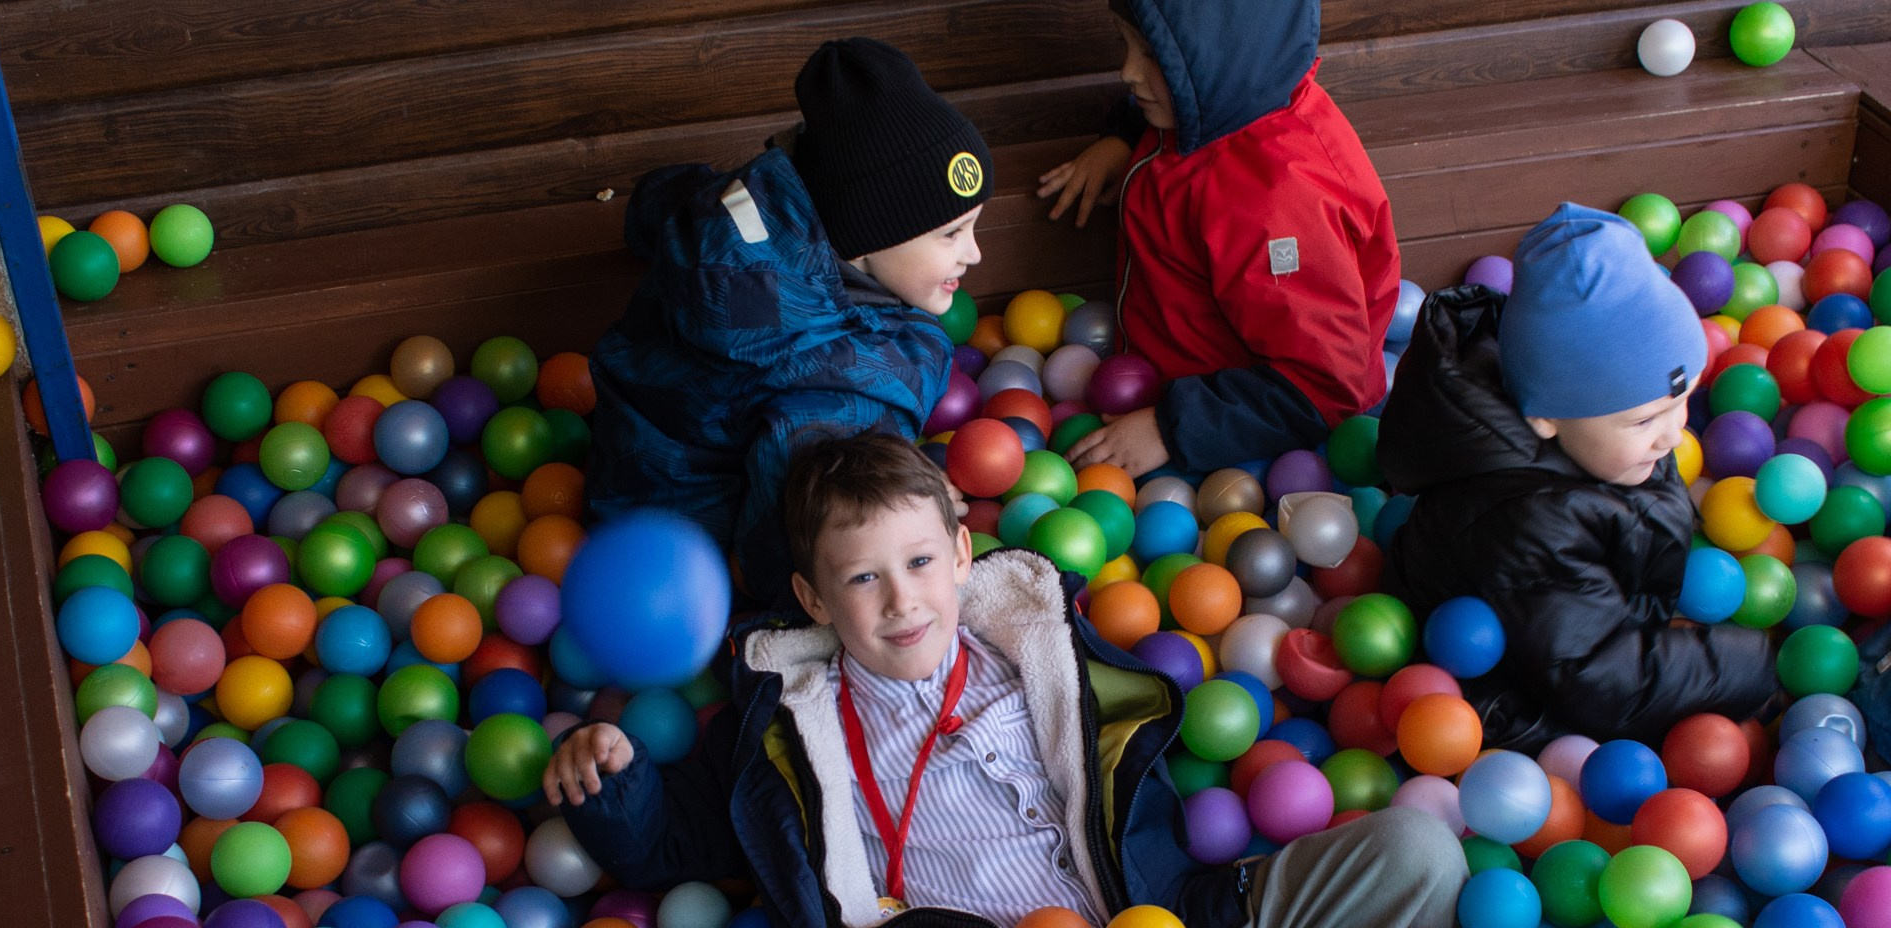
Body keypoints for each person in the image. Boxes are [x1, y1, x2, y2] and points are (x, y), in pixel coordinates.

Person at [547, 433, 1463, 928]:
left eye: (917, 562)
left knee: (1421, 847)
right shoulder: (789, 731)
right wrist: (612, 777)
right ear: (813, 598)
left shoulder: (1041, 646)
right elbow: (678, 840)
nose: (902, 600)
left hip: (1182, 925)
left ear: (959, 552)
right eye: (863, 579)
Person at [587, 37, 990, 607]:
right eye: (951, 234)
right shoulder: (846, 384)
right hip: (682, 546)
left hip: (631, 449)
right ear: (869, 240)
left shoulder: (740, 210)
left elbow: (659, 202)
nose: (973, 253)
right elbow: (795, 514)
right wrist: (902, 496)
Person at [1379, 203, 1777, 751]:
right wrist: (1751, 664)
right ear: (1547, 418)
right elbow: (1599, 681)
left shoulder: (1602, 434)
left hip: (1573, 616)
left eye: (1680, 401)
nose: (1671, 436)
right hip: (1507, 693)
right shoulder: (1532, 524)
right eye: (1643, 420)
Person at [1039, 0, 1399, 477]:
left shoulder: (1277, 201)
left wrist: (1172, 427)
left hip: (1251, 438)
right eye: (1125, 44)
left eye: (1149, 54)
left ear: (1224, 58)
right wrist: (1123, 138)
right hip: (1181, 380)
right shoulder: (1218, 104)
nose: (1127, 72)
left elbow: (1325, 383)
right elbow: (1187, 93)